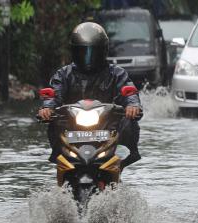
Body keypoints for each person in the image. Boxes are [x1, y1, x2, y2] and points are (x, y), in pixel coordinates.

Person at [38, 22, 142, 169]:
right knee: (55, 123)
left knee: (128, 121)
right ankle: (59, 157)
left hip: (107, 128)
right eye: (83, 52)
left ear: (104, 51)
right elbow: (54, 94)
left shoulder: (117, 74)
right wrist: (47, 108)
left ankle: (123, 158)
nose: (88, 57)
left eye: (94, 52)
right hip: (72, 128)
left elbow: (128, 91)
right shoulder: (64, 74)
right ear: (74, 52)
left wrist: (132, 106)